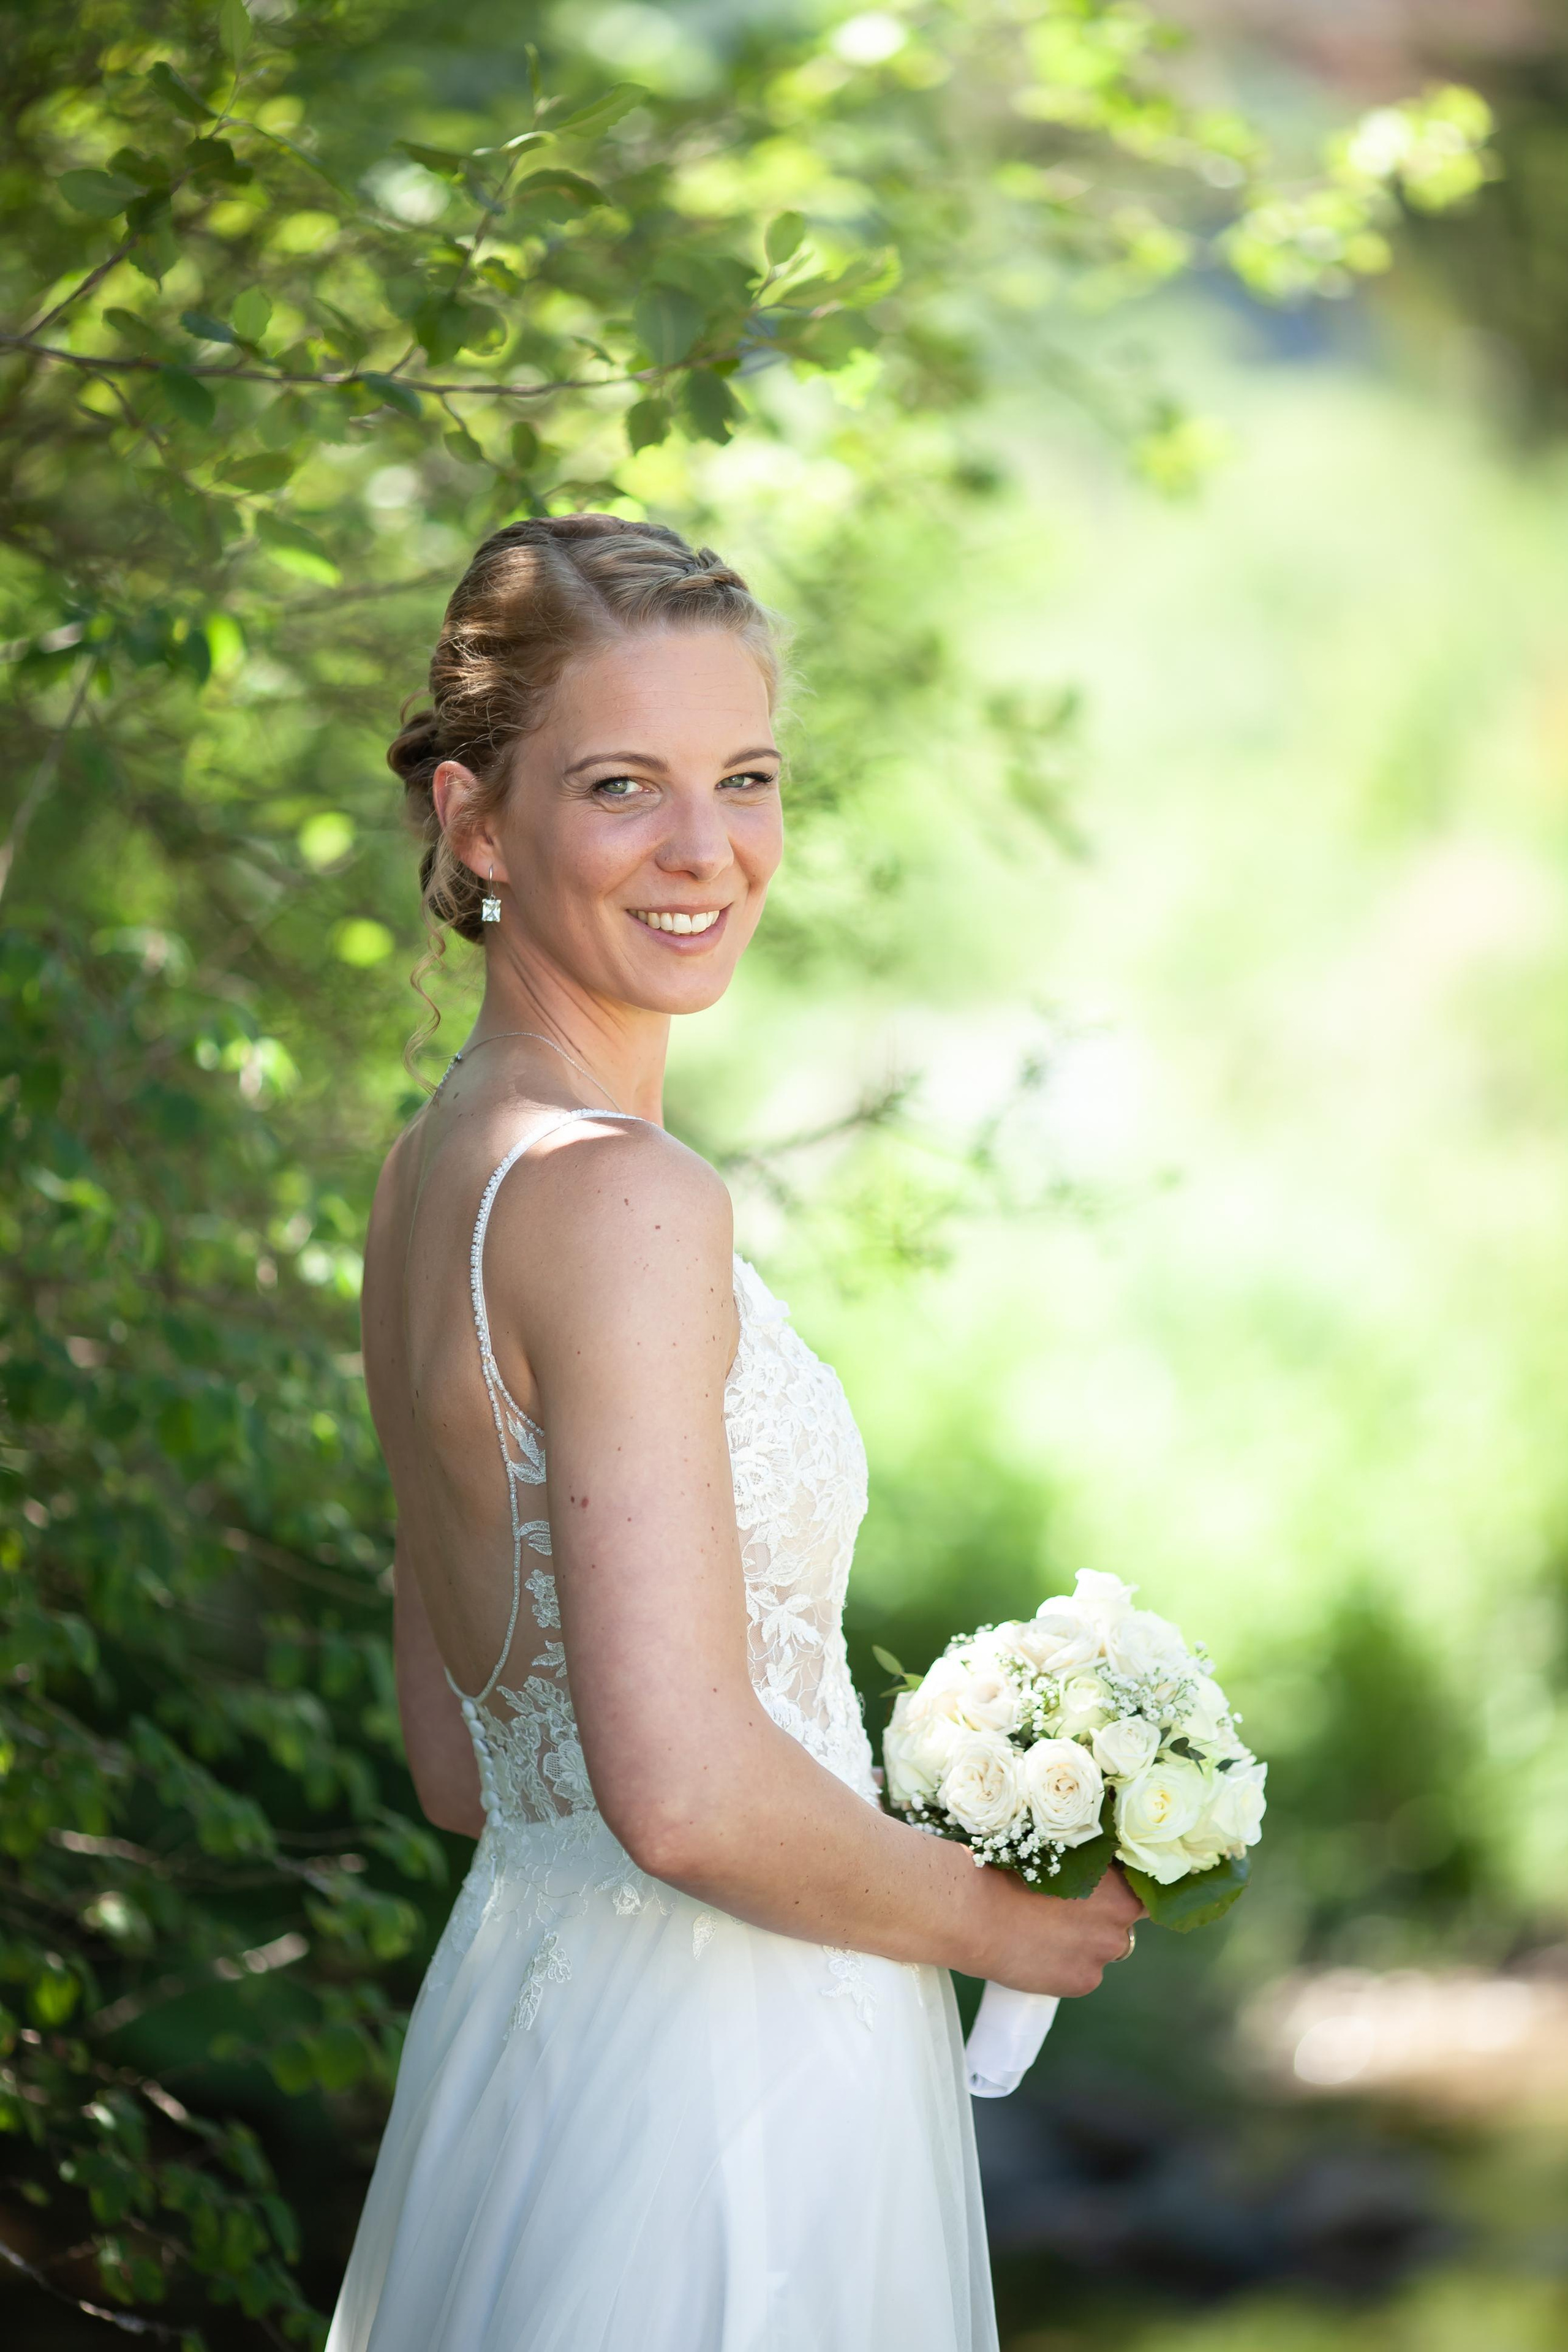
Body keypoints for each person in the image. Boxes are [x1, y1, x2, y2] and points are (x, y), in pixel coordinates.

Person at [326, 514, 1142, 2352]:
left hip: (528, 2033)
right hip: (728, 2082)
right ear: (475, 821)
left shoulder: (432, 1176)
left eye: (746, 778)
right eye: (623, 785)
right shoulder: (621, 1201)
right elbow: (684, 1795)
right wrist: (999, 1921)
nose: (707, 851)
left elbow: (469, 1767)